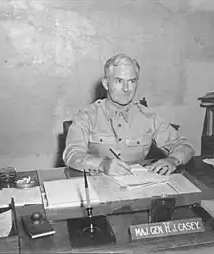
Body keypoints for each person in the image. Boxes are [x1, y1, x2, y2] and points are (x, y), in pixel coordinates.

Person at [63, 53, 195, 176]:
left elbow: (185, 145)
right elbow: (71, 154)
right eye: (119, 81)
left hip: (139, 186)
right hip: (98, 183)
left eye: (131, 81)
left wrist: (173, 160)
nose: (126, 88)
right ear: (106, 84)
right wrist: (102, 165)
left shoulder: (148, 117)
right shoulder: (87, 116)